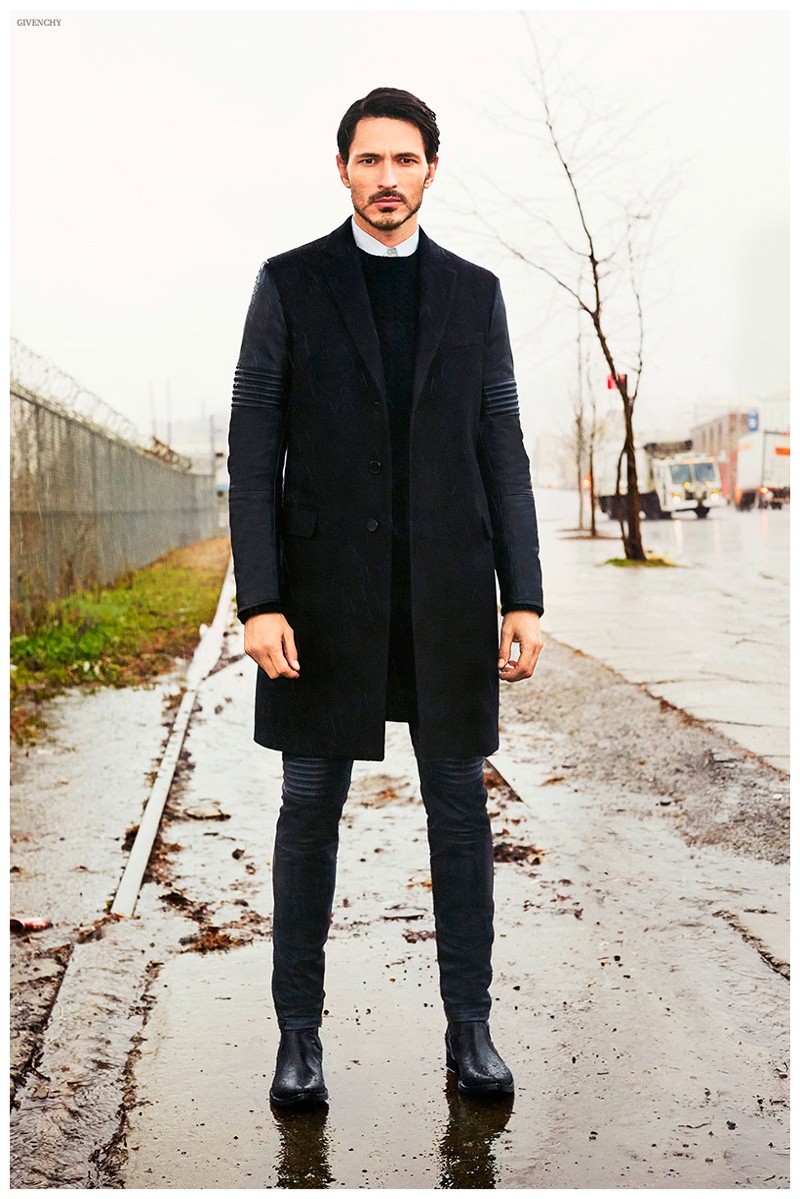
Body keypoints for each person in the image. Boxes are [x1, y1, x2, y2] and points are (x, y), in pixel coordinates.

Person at [228, 87, 544, 1107]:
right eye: (369, 159)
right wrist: (260, 599)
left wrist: (523, 593)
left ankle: (470, 1028)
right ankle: (298, 1037)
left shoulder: (473, 293)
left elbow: (502, 446)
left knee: (459, 810)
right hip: (323, 605)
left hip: (447, 597)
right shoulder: (290, 282)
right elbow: (251, 453)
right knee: (308, 808)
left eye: (405, 159)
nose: (387, 178)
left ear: (430, 171)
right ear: (342, 170)